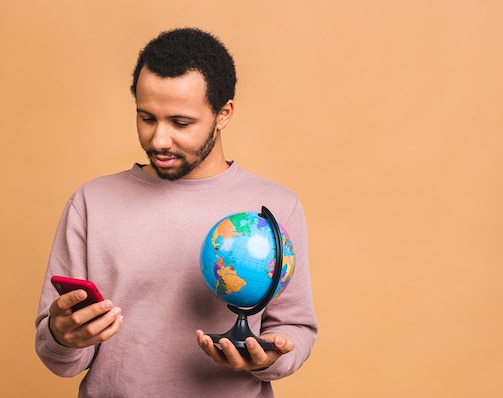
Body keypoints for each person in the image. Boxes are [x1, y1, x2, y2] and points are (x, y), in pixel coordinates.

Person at [35, 27, 318, 397]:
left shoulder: (276, 207)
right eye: (147, 118)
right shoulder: (92, 202)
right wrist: (62, 337)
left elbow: (296, 327)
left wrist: (269, 358)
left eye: (180, 123)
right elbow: (59, 356)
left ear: (223, 113)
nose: (158, 140)